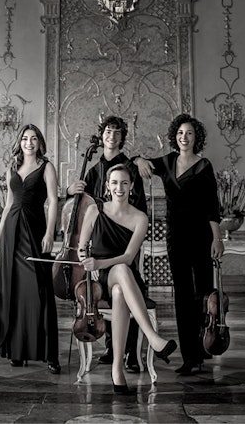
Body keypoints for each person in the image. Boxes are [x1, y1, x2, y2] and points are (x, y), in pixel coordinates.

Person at [133, 113, 223, 376]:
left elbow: (211, 206)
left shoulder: (204, 166)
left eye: (190, 133)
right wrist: (139, 159)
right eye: (181, 133)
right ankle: (190, 357)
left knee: (203, 293)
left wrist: (217, 238)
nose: (184, 137)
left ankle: (205, 347)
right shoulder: (167, 162)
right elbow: (137, 162)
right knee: (182, 295)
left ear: (197, 138)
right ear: (175, 136)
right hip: (176, 237)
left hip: (201, 237)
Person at [77, 164, 178, 394]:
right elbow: (81, 248)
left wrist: (101, 262)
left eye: (124, 182)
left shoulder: (140, 217)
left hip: (125, 277)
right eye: (114, 182)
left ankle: (117, 371)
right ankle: (152, 338)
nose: (119, 187)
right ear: (107, 186)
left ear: (132, 186)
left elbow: (129, 256)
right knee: (121, 273)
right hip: (97, 278)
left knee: (121, 282)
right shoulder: (94, 210)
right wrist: (87, 261)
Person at [64, 116, 148, 373]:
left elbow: (139, 207)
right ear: (101, 136)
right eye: (107, 132)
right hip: (99, 243)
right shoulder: (93, 170)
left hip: (123, 240)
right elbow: (82, 206)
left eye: (116, 132)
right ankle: (114, 349)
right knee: (115, 290)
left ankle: (131, 353)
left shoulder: (129, 167)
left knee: (125, 281)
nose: (111, 136)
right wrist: (69, 191)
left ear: (122, 137)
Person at [0, 124, 61, 374]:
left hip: (35, 230)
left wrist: (51, 232)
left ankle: (50, 354)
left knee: (39, 290)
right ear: (19, 142)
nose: (28, 142)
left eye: (33, 139)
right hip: (11, 232)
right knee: (13, 291)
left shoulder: (46, 167)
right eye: (24, 138)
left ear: (40, 142)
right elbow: (8, 206)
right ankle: (17, 351)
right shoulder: (12, 169)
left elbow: (53, 201)